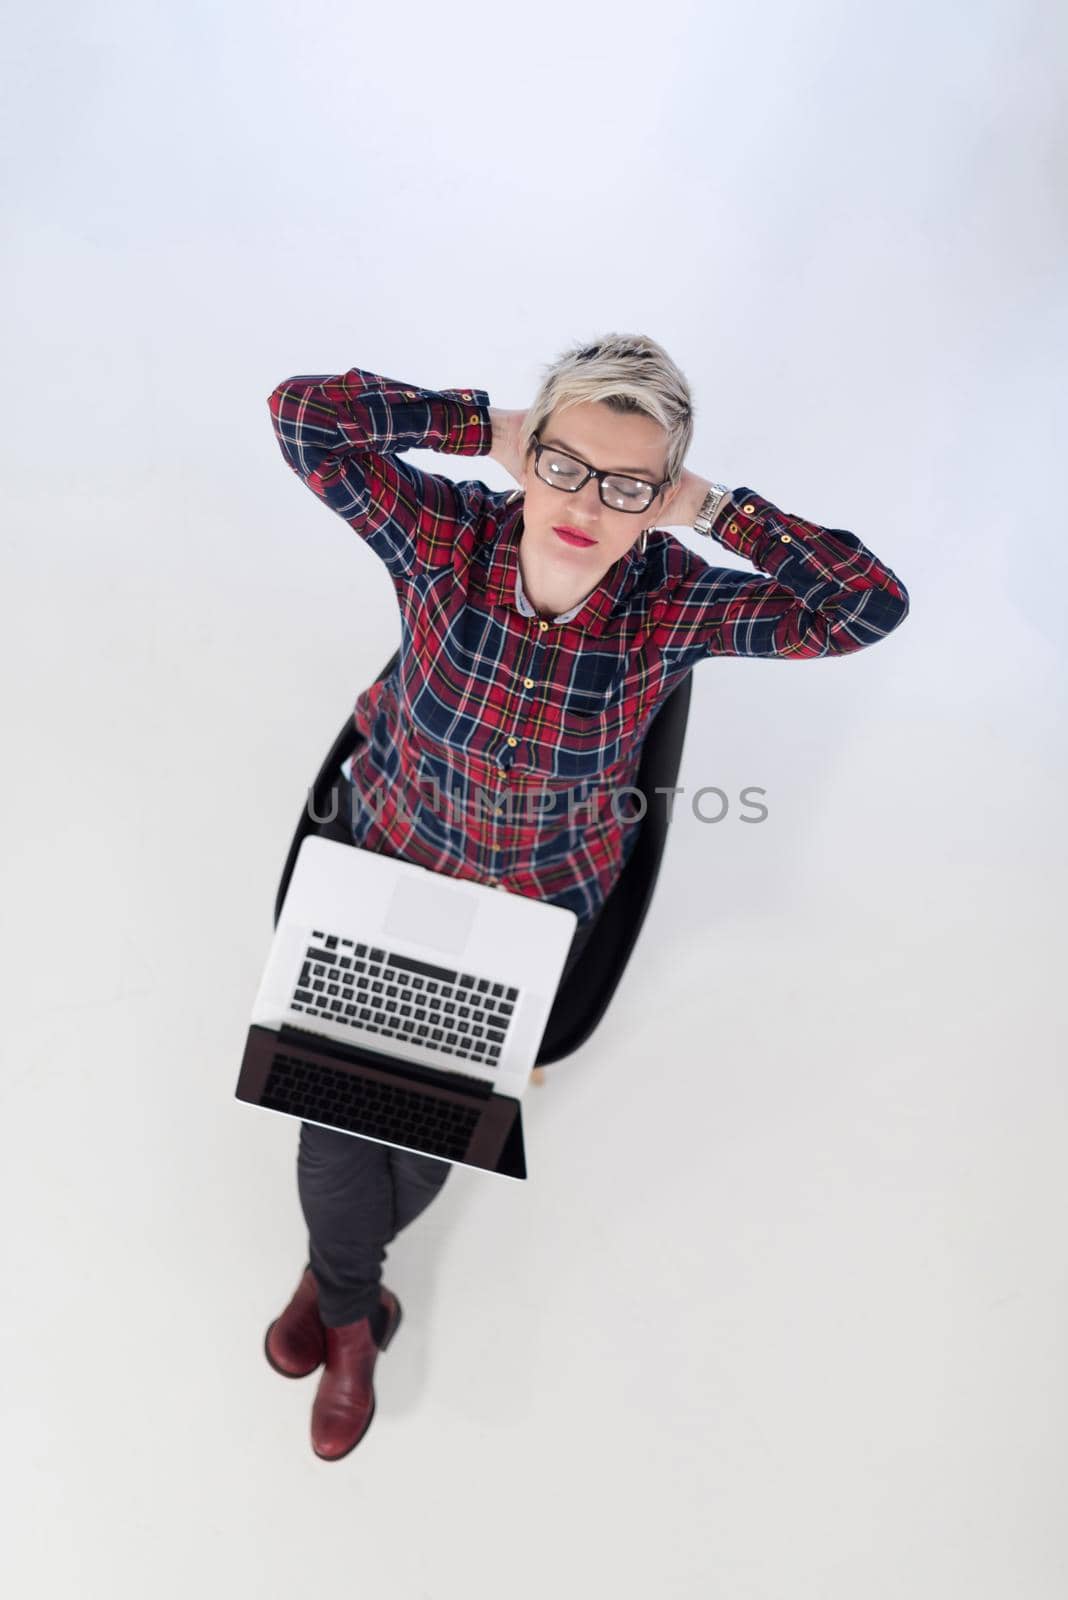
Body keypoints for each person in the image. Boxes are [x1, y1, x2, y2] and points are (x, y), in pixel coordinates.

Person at [260, 331, 911, 1460]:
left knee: (422, 1138)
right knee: (336, 1121)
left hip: (527, 919)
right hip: (391, 866)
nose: (584, 504)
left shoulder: (672, 604)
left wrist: (712, 508)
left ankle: (336, 1285)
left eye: (626, 487)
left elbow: (866, 609)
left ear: (659, 498)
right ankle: (358, 1317)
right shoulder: (444, 535)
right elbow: (303, 413)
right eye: (564, 464)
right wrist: (482, 431)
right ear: (532, 450)